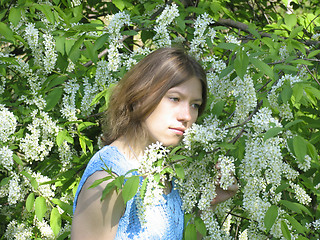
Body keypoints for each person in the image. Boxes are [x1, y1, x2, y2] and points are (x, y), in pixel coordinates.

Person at [71, 47, 238, 239]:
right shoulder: (109, 181)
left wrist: (208, 202)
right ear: (139, 96)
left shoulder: (164, 173)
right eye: (174, 98)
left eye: (195, 105)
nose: (186, 116)